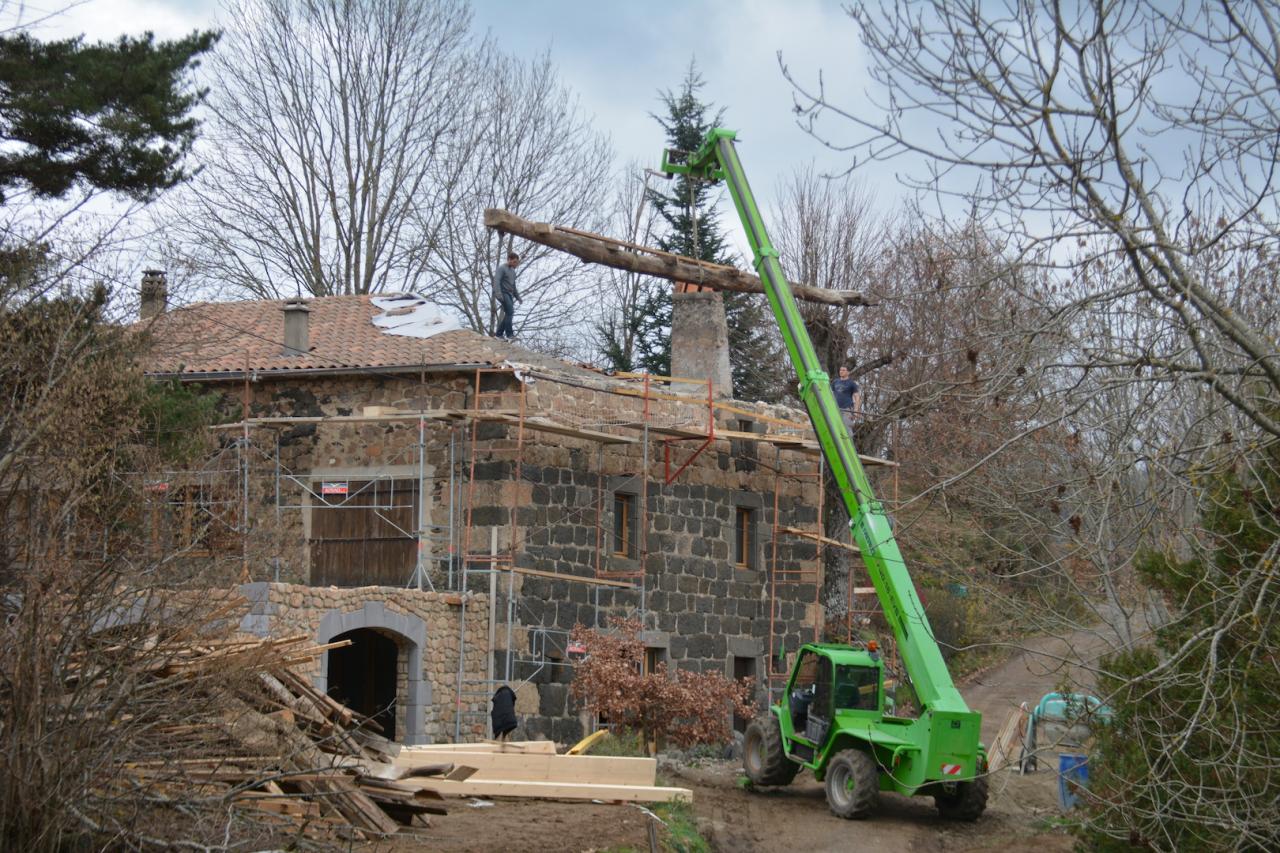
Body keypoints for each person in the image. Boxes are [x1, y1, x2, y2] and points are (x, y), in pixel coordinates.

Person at [492, 251, 521, 340]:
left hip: (510, 294)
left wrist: (518, 297)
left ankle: (498, 334)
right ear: (509, 259)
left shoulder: (513, 271)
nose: (515, 264)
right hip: (502, 293)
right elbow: (496, 281)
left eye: (517, 262)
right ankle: (510, 335)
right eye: (514, 262)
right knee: (510, 312)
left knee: (509, 313)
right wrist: (498, 294)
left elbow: (513, 286)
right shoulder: (501, 268)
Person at [831, 364, 861, 433]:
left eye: (843, 370)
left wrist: (856, 410)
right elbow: (831, 394)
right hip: (835, 408)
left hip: (847, 409)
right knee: (834, 427)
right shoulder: (835, 382)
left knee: (846, 427)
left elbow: (857, 397)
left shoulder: (852, 383)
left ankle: (848, 442)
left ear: (848, 372)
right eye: (840, 370)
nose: (841, 372)